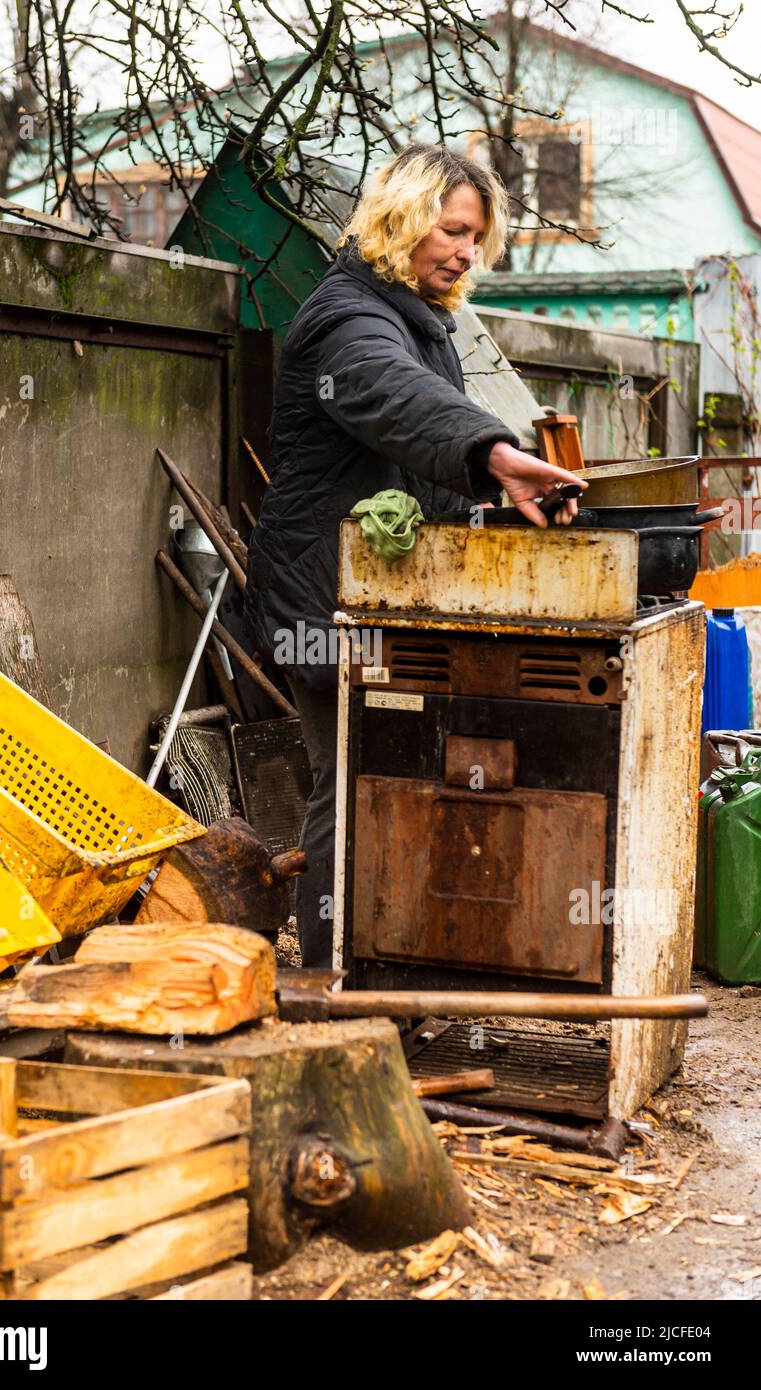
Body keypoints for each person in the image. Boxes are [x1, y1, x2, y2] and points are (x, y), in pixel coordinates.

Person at [243, 142, 585, 967]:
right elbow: (391, 397)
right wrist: (495, 455)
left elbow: (407, 437)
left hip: (376, 589)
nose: (466, 251)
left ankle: (388, 957)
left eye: (476, 238)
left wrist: (476, 497)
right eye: (452, 231)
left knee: (388, 775)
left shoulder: (410, 313)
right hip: (326, 597)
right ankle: (333, 975)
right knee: (349, 780)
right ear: (401, 220)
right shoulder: (347, 315)